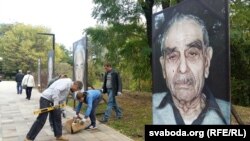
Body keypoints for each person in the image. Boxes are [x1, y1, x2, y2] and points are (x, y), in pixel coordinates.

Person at [153, 13, 230, 125]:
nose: (183, 69)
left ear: (207, 61)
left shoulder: (226, 115)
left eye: (193, 53)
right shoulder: (152, 106)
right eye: (173, 56)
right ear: (163, 67)